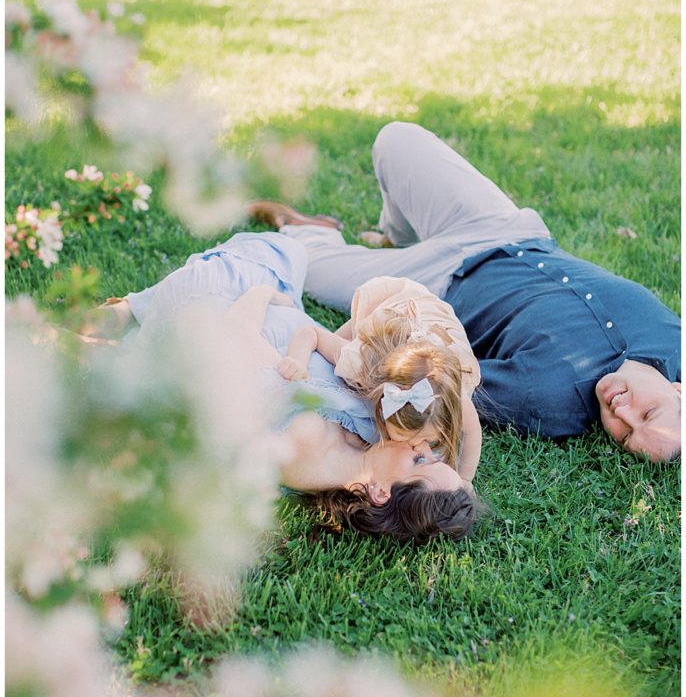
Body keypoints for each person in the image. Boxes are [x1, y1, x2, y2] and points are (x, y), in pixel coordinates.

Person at [250, 121, 681, 462]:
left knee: (306, 262)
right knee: (396, 139)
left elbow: (440, 382)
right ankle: (395, 234)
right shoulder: (675, 341)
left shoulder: (546, 400)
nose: (621, 414)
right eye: (648, 413)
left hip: (436, 281)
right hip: (509, 229)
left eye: (625, 436)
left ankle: (310, 229)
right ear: (679, 392)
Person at [87, 229, 481, 542]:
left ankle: (129, 321)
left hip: (221, 311)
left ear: (380, 493)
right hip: (269, 318)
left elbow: (229, 345)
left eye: (420, 461)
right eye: (433, 455)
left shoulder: (304, 439)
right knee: (289, 256)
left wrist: (265, 297)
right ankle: (133, 313)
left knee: (282, 250)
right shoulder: (376, 440)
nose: (422, 445)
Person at [277, 274, 482, 481]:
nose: (417, 447)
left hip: (438, 322)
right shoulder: (363, 364)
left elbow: (472, 432)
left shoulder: (455, 399)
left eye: (428, 439)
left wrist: (465, 479)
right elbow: (311, 333)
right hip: (397, 304)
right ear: (384, 406)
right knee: (346, 345)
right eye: (402, 436)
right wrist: (297, 361)